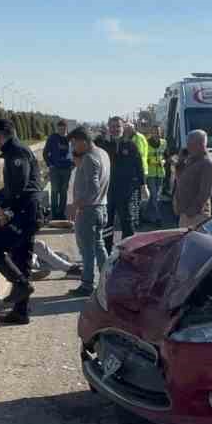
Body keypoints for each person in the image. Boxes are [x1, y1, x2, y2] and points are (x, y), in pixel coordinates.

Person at [0, 118, 42, 325]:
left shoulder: (16, 152)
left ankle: (20, 284)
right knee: (21, 259)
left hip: (26, 212)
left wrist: (4, 209)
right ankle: (21, 312)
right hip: (29, 212)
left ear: (0, 135)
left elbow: (18, 186)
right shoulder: (15, 150)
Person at [66, 127, 110, 297]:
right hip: (101, 207)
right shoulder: (103, 154)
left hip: (89, 210)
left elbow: (93, 188)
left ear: (83, 141)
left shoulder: (90, 158)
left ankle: (86, 284)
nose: (73, 148)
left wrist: (75, 205)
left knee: (87, 249)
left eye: (74, 143)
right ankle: (107, 280)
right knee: (99, 246)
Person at [99, 117, 143, 245]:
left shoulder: (131, 145)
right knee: (107, 223)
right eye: (112, 126)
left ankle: (127, 252)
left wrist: (143, 185)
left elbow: (138, 165)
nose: (115, 129)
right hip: (107, 191)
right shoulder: (103, 145)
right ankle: (106, 253)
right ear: (108, 128)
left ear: (123, 128)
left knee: (128, 223)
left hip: (126, 191)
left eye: (118, 126)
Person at [174, 129, 212, 229]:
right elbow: (179, 179)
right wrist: (180, 161)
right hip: (185, 213)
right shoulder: (191, 160)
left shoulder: (207, 163)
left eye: (190, 144)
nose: (188, 147)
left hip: (197, 215)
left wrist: (191, 211)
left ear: (201, 144)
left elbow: (206, 192)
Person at [44, 119, 74, 221]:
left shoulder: (70, 139)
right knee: (55, 191)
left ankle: (61, 213)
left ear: (66, 128)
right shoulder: (52, 138)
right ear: (57, 128)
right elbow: (45, 153)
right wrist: (50, 164)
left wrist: (72, 165)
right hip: (55, 169)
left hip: (66, 169)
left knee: (63, 191)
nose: (61, 131)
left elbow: (76, 152)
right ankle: (54, 213)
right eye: (59, 129)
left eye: (63, 129)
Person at [144, 124, 167, 223]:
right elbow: (144, 158)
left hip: (161, 173)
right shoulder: (146, 143)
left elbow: (166, 155)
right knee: (154, 195)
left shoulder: (164, 142)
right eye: (154, 132)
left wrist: (164, 161)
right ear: (151, 133)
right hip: (150, 173)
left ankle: (145, 214)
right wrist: (154, 162)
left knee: (154, 196)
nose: (156, 133)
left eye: (157, 132)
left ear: (160, 132)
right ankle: (158, 217)